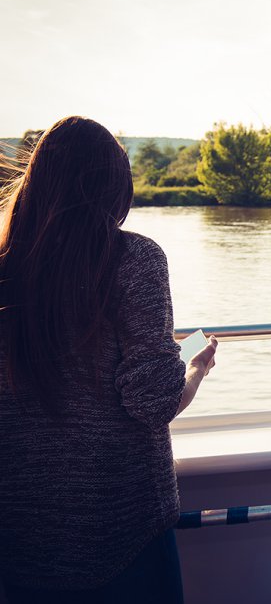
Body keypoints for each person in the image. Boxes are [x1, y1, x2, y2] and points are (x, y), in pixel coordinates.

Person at [0, 116, 217, 603]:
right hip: (121, 532)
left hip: (22, 540)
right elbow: (153, 401)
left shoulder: (6, 266)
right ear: (115, 186)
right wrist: (195, 368)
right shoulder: (133, 259)